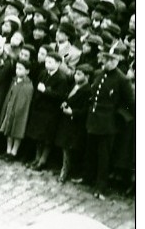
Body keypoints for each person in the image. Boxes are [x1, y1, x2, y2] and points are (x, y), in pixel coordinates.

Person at [84, 45, 135, 199]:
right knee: (90, 150)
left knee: (104, 156)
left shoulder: (122, 79)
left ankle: (101, 186)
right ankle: (88, 178)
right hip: (94, 118)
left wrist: (118, 115)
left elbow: (130, 103)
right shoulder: (99, 73)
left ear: (117, 61)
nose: (106, 62)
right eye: (105, 58)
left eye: (110, 59)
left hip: (108, 123)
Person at [25, 49, 72, 170]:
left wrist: (46, 91)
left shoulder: (61, 78)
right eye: (46, 62)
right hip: (39, 110)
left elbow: (60, 95)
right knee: (38, 137)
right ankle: (36, 158)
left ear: (58, 63)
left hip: (51, 112)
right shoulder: (43, 73)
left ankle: (42, 161)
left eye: (50, 62)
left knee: (47, 139)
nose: (47, 64)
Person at [54, 64, 92, 183]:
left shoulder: (87, 91)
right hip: (66, 122)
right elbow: (68, 97)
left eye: (79, 74)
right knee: (65, 147)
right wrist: (65, 103)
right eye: (76, 73)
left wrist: (72, 112)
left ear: (87, 77)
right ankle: (65, 168)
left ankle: (66, 170)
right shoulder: (74, 86)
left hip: (75, 124)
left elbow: (86, 109)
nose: (76, 76)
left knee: (70, 148)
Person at [0, 58, 35, 158]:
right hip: (10, 109)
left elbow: (25, 101)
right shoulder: (14, 81)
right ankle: (8, 150)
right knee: (8, 130)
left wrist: (19, 110)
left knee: (17, 131)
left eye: (20, 69)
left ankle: (14, 152)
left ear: (27, 71)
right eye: (17, 68)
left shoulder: (28, 85)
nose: (17, 70)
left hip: (20, 113)